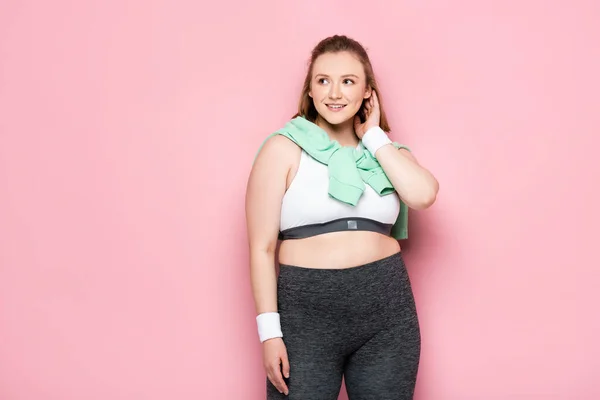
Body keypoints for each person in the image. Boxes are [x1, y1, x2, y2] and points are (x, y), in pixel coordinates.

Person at [245, 34, 439, 400]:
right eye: (323, 81)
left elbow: (423, 194)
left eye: (348, 81)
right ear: (311, 90)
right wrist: (269, 333)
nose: (335, 93)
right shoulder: (282, 148)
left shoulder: (385, 154)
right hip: (306, 315)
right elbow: (261, 247)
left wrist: (375, 138)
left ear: (368, 92)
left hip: (386, 311)